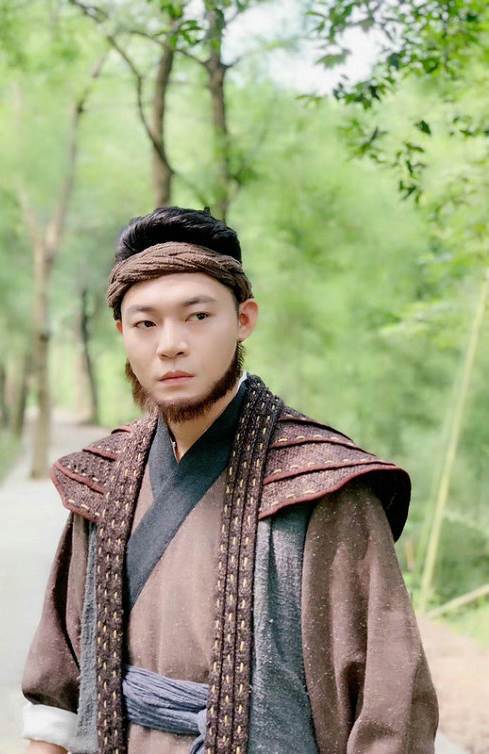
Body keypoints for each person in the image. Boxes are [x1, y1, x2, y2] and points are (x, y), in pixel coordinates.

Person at [22, 206, 438, 754]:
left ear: (244, 319)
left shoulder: (321, 483)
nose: (170, 344)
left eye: (198, 316)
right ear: (122, 332)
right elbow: (59, 680)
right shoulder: (104, 480)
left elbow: (391, 706)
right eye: (146, 323)